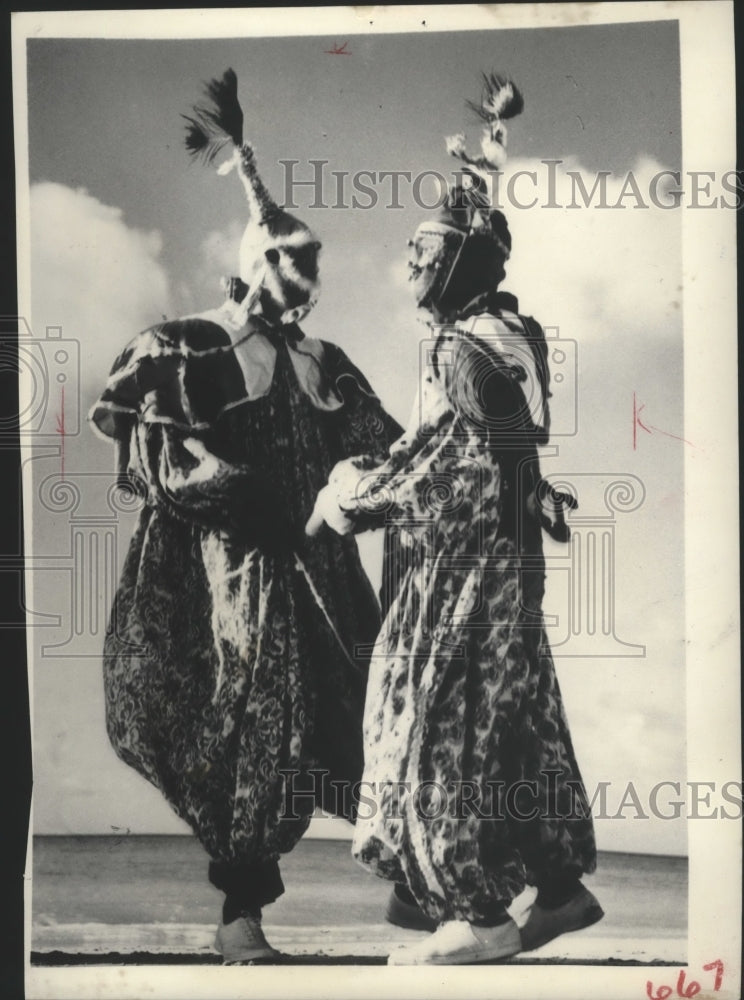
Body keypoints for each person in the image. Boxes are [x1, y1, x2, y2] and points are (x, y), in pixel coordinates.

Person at [90, 70, 402, 965]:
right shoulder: (191, 348)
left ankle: (419, 893)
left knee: (367, 710)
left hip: (320, 574)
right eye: (295, 261)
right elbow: (167, 461)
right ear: (258, 260)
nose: (311, 280)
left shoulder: (323, 362)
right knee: (252, 731)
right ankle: (240, 921)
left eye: (316, 264)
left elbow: (380, 449)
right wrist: (256, 501)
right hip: (237, 581)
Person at [307, 188, 602, 965]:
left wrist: (345, 495)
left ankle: (480, 916)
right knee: (514, 727)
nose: (409, 262)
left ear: (461, 263)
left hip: (459, 573)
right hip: (512, 568)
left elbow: (441, 468)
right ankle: (560, 889)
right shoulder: (516, 333)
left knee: (432, 729)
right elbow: (506, 451)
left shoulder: (458, 347)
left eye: (424, 252)